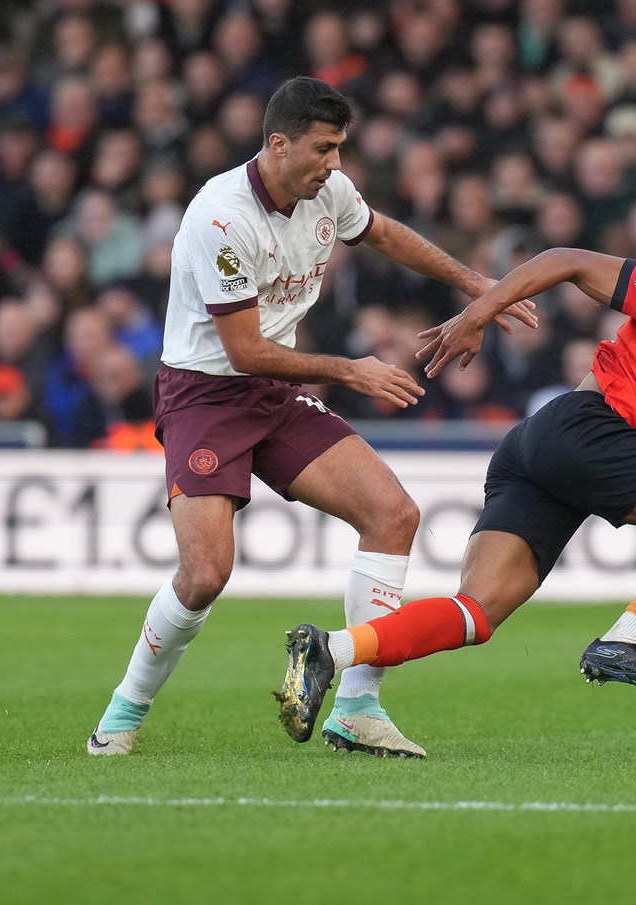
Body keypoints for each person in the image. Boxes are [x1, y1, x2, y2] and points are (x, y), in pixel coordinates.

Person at [86, 77, 536, 759]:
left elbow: (383, 234)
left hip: (274, 392)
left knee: (394, 515)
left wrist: (478, 285)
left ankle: (357, 707)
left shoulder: (329, 191)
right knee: (205, 573)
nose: (334, 163)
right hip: (206, 395)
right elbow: (242, 349)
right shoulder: (221, 217)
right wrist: (349, 370)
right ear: (278, 144)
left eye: (340, 148)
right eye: (324, 148)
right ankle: (121, 714)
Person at [274, 221, 636, 744]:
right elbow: (567, 260)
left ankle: (331, 650)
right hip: (581, 426)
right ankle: (624, 640)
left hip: (546, 451)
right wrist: (477, 314)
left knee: (477, 613)